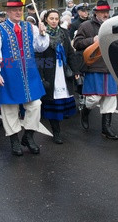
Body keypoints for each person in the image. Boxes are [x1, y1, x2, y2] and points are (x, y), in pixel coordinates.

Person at [0, 0, 49, 156]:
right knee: (9, 109)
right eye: (14, 10)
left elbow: (40, 48)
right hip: (8, 73)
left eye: (19, 10)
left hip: (29, 73)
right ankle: (14, 140)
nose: (18, 12)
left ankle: (28, 136)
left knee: (35, 105)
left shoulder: (31, 27)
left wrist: (43, 34)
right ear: (7, 12)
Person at [73, 0, 118, 140]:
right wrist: (91, 40)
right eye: (102, 12)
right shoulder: (86, 25)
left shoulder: (114, 24)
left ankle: (106, 129)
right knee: (93, 98)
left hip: (110, 67)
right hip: (94, 67)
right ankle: (85, 112)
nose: (106, 14)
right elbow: (77, 43)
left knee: (110, 99)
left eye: (107, 11)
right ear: (96, 13)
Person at [37, 9, 80, 144]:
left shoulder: (63, 33)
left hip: (63, 70)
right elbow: (39, 56)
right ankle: (56, 132)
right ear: (46, 20)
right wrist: (42, 77)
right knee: (52, 101)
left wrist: (76, 70)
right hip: (50, 72)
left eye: (56, 18)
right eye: (51, 19)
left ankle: (59, 128)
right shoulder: (42, 35)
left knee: (63, 100)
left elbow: (70, 53)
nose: (54, 21)